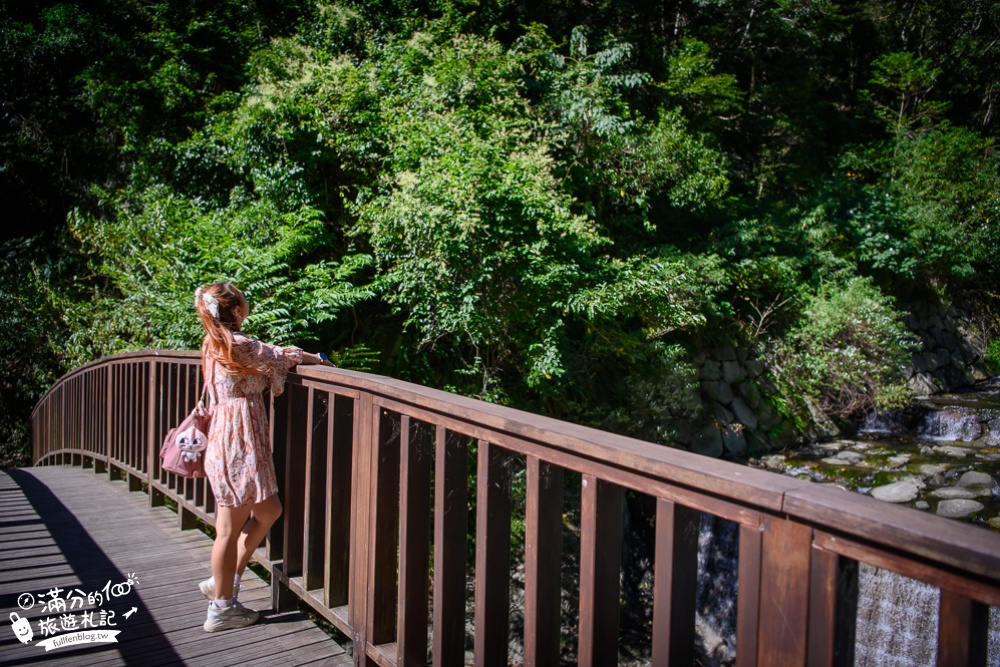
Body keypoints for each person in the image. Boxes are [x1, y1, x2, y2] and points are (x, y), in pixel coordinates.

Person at [193, 281, 329, 632]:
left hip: (234, 437)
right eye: (242, 301)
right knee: (227, 529)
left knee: (268, 510)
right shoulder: (236, 344)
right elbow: (282, 357)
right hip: (237, 442)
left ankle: (223, 583)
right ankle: (221, 608)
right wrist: (318, 358)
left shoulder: (214, 343)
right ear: (236, 311)